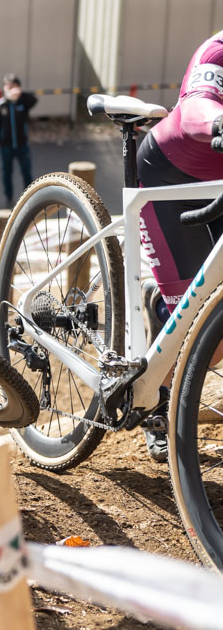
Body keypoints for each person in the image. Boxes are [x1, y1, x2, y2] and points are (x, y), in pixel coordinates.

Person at [136, 29, 223, 462]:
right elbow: (194, 110)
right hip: (172, 179)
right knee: (197, 331)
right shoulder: (219, 50)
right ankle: (157, 396)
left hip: (220, 182)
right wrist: (217, 123)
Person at [0, 74, 37, 207]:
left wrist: (19, 95)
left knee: (26, 171)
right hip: (6, 146)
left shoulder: (23, 102)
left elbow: (34, 100)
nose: (10, 90)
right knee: (7, 172)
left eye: (13, 87)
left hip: (22, 144)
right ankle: (8, 198)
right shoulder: (1, 104)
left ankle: (29, 197)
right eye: (8, 87)